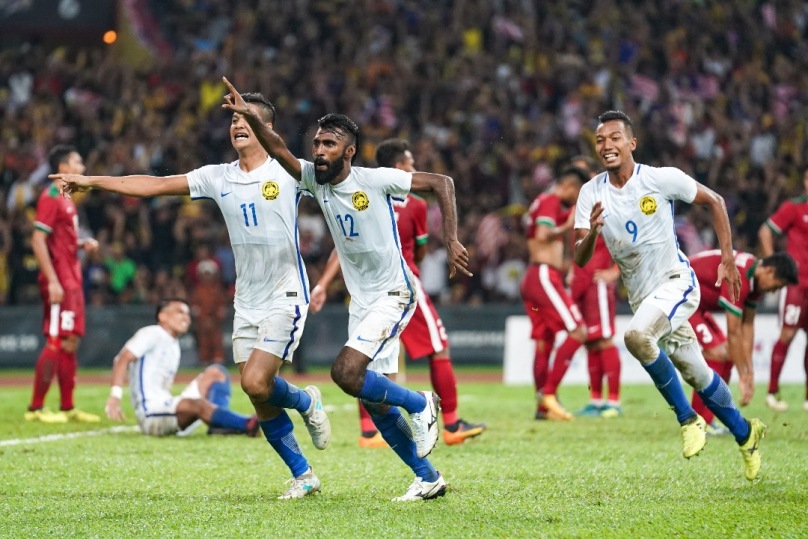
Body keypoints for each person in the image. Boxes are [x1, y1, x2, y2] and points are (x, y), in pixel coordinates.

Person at [54, 92, 331, 500]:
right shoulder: (218, 176)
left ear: (267, 129)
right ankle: (303, 473)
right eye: (233, 119)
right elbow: (154, 185)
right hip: (247, 298)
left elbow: (337, 179)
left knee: (256, 380)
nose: (238, 125)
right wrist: (92, 181)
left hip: (285, 291)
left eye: (247, 118)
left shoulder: (290, 171)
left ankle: (306, 404)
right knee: (257, 392)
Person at [221, 77, 472, 501]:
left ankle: (420, 403)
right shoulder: (314, 180)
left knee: (345, 373)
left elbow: (441, 182)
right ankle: (428, 478)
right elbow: (278, 149)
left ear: (349, 151)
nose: (319, 151)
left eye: (329, 144)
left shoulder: (376, 180)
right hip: (362, 301)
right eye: (317, 143)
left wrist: (450, 239)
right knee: (372, 399)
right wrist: (252, 119)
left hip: (394, 292)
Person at [573, 110, 765, 481]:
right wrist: (593, 233)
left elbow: (715, 201)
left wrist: (727, 257)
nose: (606, 145)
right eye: (600, 140)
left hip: (675, 282)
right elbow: (580, 258)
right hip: (644, 299)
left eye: (614, 137)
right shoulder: (590, 192)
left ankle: (688, 419)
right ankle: (746, 434)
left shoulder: (659, 179)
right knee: (698, 373)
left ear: (632, 143)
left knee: (636, 337)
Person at [309, 138, 486, 448]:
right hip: (401, 284)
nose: (413, 168)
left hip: (365, 285)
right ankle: (452, 423)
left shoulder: (356, 195)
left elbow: (343, 246)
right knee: (438, 347)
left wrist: (323, 283)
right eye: (409, 163)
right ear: (398, 167)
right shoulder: (414, 204)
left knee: (371, 361)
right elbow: (419, 252)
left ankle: (369, 431)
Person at [105, 297, 259, 437]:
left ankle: (218, 425)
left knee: (217, 372)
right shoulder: (152, 333)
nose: (186, 317)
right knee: (197, 404)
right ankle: (247, 424)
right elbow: (122, 359)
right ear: (162, 316)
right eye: (180, 312)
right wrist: (115, 396)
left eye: (188, 314)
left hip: (167, 404)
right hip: (151, 412)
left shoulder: (173, 344)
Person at [24, 145, 100, 424]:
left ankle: (68, 407)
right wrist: (53, 281)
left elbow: (58, 240)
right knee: (56, 340)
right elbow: (37, 240)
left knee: (70, 341)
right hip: (59, 280)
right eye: (78, 162)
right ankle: (35, 408)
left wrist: (80, 244)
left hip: (71, 278)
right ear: (63, 167)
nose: (82, 168)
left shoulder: (67, 199)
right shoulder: (51, 197)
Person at [688, 250, 798, 434]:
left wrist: (749, 372)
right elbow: (733, 332)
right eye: (777, 286)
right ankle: (698, 423)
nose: (774, 291)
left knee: (729, 353)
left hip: (696, 305)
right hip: (679, 298)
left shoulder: (755, 281)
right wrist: (741, 376)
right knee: (717, 353)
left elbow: (747, 326)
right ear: (769, 271)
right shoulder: (739, 276)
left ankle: (707, 420)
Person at [520, 165, 588, 421]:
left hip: (535, 275)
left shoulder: (543, 202)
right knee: (578, 331)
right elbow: (543, 234)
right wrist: (566, 226)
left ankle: (542, 407)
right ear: (569, 186)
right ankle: (549, 393)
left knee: (544, 342)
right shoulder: (550, 200)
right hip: (543, 275)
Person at [568, 155, 623, 418]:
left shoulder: (606, 199)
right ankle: (596, 400)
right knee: (590, 342)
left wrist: (615, 271)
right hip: (582, 280)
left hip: (598, 280)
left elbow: (624, 236)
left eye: (581, 172)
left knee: (604, 339)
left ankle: (614, 402)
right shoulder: (580, 203)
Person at [758, 170, 808, 412]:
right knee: (787, 334)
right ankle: (772, 392)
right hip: (796, 285)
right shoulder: (794, 207)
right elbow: (766, 230)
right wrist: (774, 264)